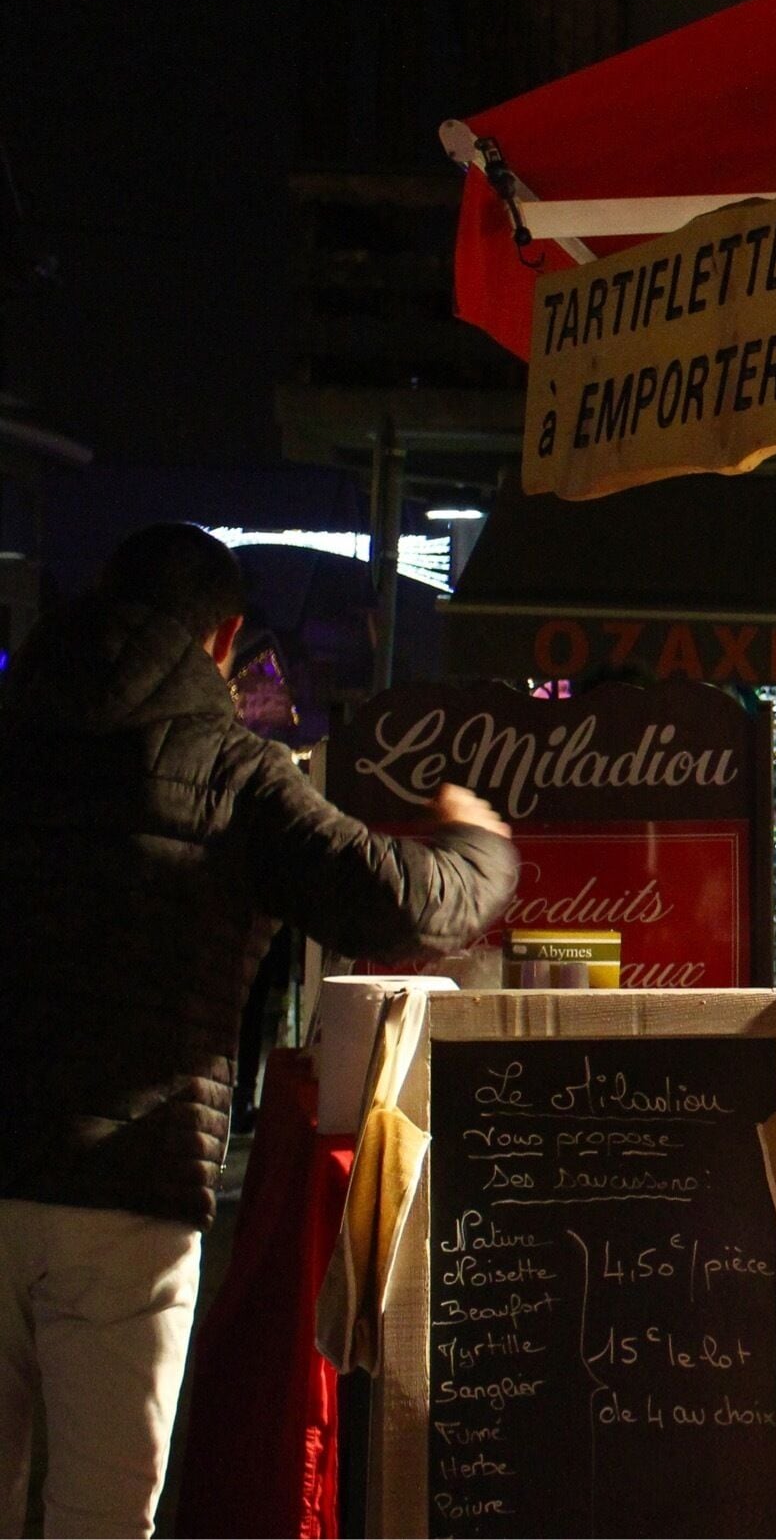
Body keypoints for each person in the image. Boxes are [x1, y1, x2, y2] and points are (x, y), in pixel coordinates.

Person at [0, 524, 518, 1537]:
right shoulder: (234, 770)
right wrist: (479, 843)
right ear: (225, 637)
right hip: (126, 1188)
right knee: (102, 1516)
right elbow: (400, 903)